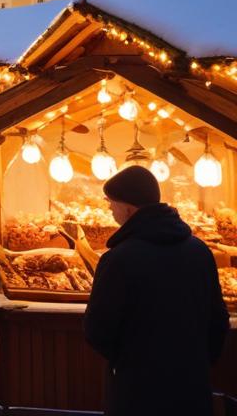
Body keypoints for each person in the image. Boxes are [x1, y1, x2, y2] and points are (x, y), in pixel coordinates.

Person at [84, 165, 229, 416]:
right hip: (191, 390)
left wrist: (127, 363)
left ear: (128, 208)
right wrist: (197, 363)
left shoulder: (118, 259)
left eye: (112, 203)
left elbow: (97, 330)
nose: (110, 209)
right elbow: (218, 320)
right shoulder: (200, 251)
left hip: (137, 393)